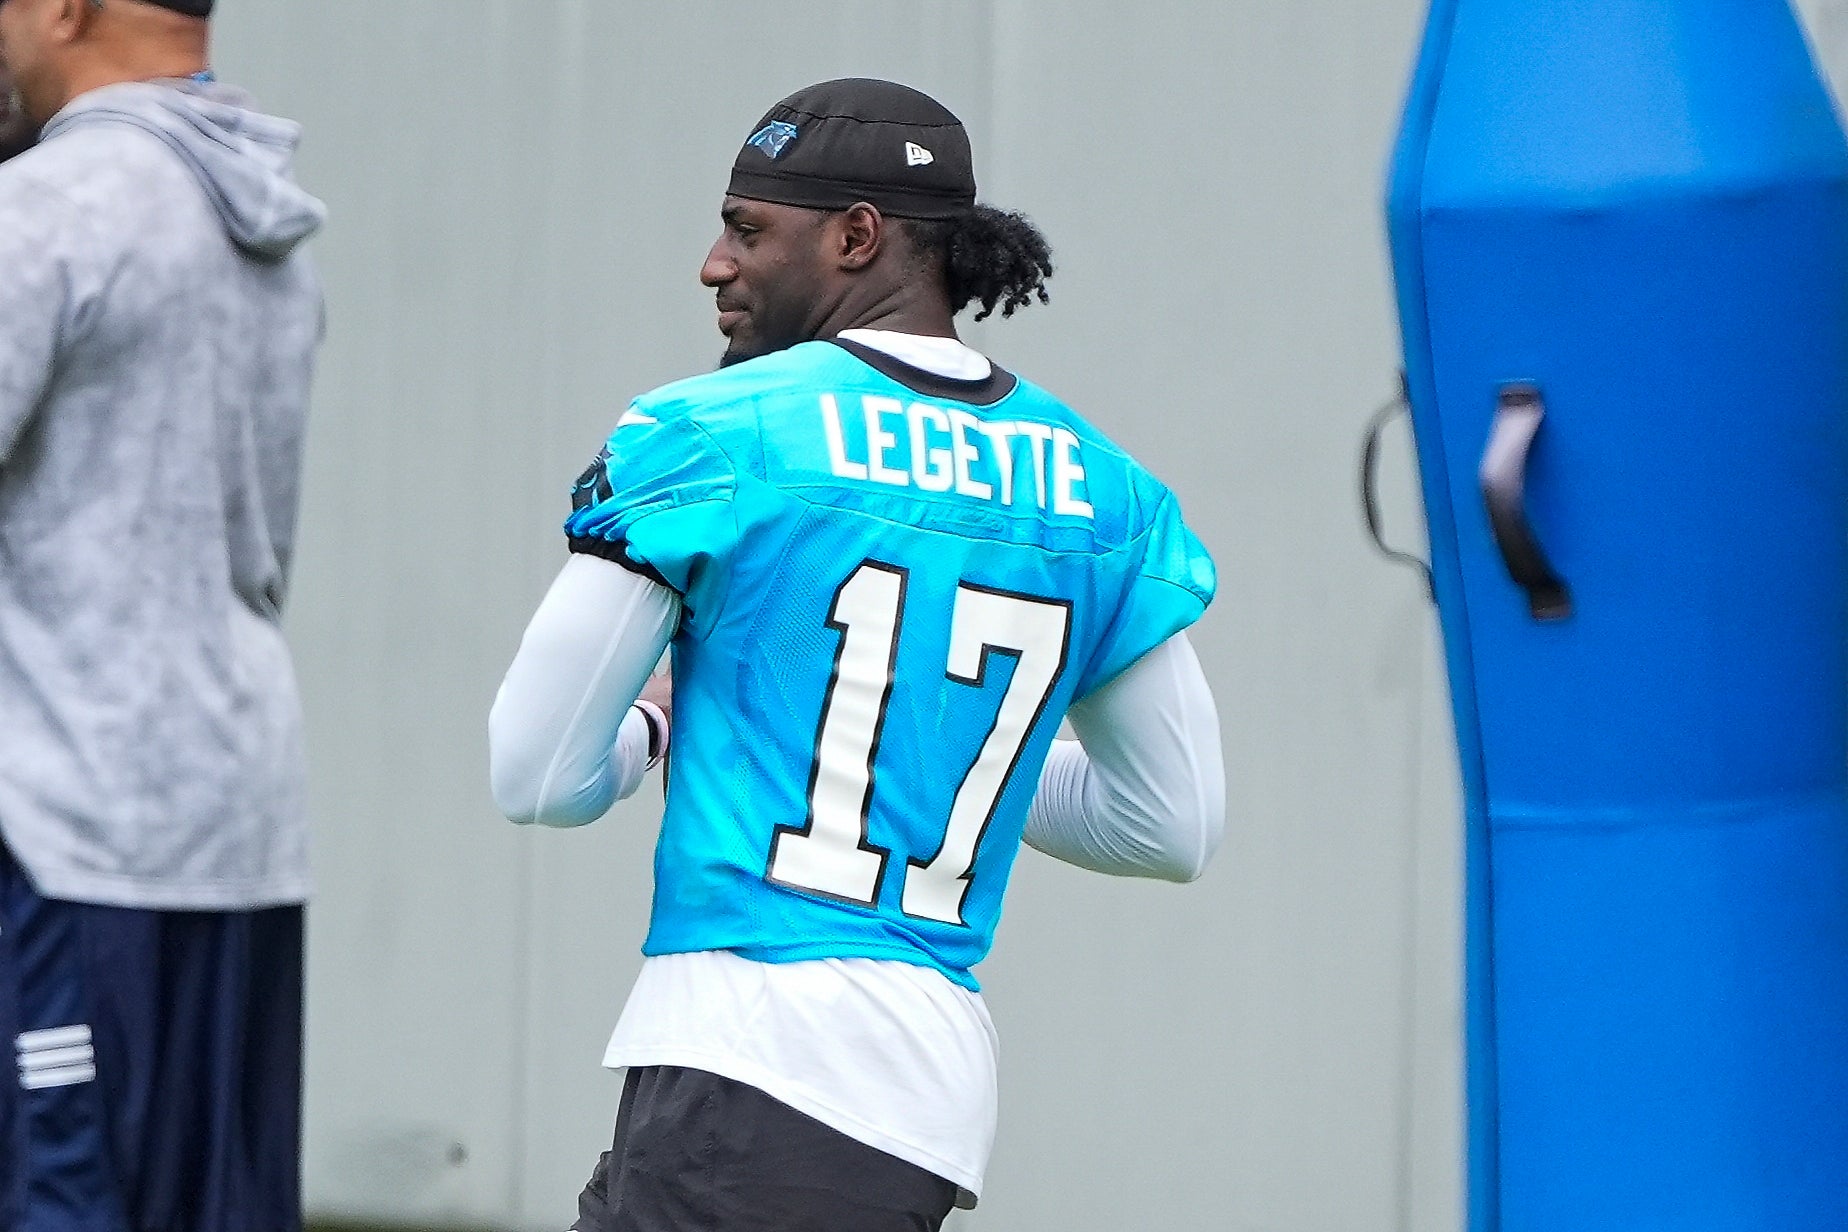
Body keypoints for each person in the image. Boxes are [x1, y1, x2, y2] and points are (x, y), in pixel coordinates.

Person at [490, 77, 1224, 1232]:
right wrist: (923, 738)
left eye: (745, 229)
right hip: (924, 1093)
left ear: (856, 235)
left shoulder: (715, 434)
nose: (712, 265)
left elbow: (536, 773)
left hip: (749, 1054)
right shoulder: (1106, 493)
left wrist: (660, 717)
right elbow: (1169, 824)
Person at [0, 2, 324, 1229]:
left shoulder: (49, 207)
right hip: (237, 821)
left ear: (66, 7)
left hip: (69, 825)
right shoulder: (273, 217)